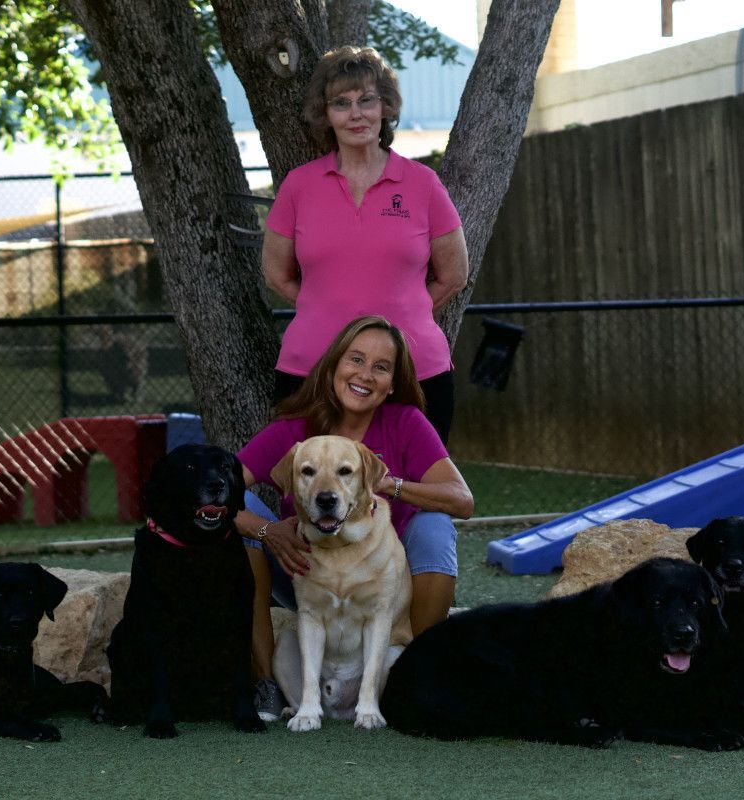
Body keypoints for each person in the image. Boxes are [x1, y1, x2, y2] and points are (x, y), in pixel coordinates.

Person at [234, 316, 474, 721]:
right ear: (333, 366)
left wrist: (385, 484)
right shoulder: (295, 432)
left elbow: (461, 500)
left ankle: (418, 670)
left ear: (393, 382)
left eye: (381, 367)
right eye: (356, 360)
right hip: (303, 570)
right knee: (239, 518)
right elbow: (220, 492)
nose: (365, 375)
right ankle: (265, 685)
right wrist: (267, 530)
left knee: (436, 526)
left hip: (379, 578)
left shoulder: (405, 424)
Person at [263, 45, 469, 444]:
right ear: (325, 115)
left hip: (411, 373)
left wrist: (399, 318)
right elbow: (276, 274)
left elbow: (453, 276)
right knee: (312, 498)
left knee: (410, 493)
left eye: (366, 100)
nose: (356, 114)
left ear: (386, 107)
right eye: (341, 103)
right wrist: (323, 308)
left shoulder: (423, 184)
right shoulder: (298, 186)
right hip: (312, 370)